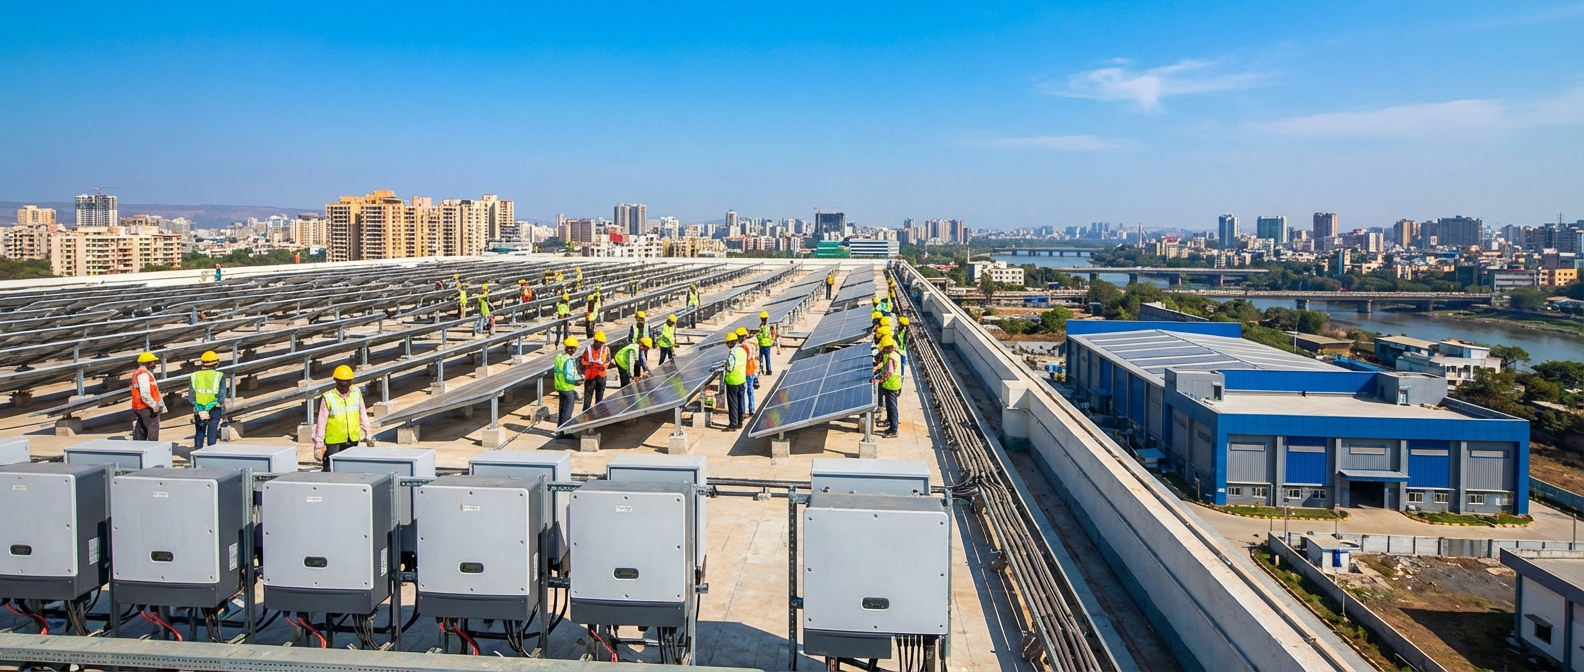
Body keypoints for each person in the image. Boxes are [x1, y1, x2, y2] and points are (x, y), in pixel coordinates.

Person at [313, 365, 375, 470]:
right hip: (334, 441)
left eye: (347, 383)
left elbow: (362, 414)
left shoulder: (356, 393)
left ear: (351, 381)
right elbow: (321, 422)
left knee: (350, 467)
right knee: (332, 468)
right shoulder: (328, 397)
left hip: (352, 438)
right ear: (336, 381)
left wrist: (368, 433)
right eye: (341, 383)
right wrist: (318, 445)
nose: (344, 386)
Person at [189, 351, 226, 452]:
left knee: (199, 432)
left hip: (199, 409)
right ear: (216, 362)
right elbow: (221, 396)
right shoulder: (219, 375)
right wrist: (209, 408)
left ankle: (197, 454)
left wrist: (201, 410)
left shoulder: (194, 376)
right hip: (214, 408)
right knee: (212, 432)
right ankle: (211, 455)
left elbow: (191, 396)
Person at [130, 352, 165, 441]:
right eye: (153, 362)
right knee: (152, 429)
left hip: (139, 406)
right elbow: (145, 393)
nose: (155, 364)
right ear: (148, 362)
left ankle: (140, 447)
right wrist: (154, 405)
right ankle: (152, 450)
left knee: (142, 430)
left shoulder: (139, 373)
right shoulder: (143, 374)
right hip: (146, 407)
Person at [873, 337, 903, 438]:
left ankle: (894, 430)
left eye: (884, 349)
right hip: (892, 385)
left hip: (892, 385)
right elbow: (885, 368)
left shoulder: (891, 357)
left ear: (888, 348)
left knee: (892, 407)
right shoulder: (893, 354)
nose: (883, 351)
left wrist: (881, 380)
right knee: (890, 406)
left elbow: (889, 371)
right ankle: (889, 423)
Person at [553, 337, 583, 434]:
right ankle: (565, 432)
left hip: (560, 387)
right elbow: (569, 376)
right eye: (575, 348)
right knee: (567, 412)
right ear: (571, 348)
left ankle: (560, 432)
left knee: (561, 411)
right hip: (568, 388)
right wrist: (580, 378)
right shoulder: (568, 360)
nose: (575, 350)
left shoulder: (559, 357)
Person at [580, 331, 610, 410]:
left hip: (601, 376)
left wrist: (601, 366)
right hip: (590, 376)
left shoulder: (606, 349)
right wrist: (590, 364)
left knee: (599, 398)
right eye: (597, 342)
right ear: (594, 341)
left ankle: (598, 415)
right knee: (588, 397)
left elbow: (607, 361)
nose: (599, 345)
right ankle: (585, 415)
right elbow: (583, 361)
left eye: (601, 343)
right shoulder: (588, 349)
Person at [723, 333, 747, 430]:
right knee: (741, 401)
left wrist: (725, 366)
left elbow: (730, 367)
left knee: (733, 403)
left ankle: (733, 424)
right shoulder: (742, 350)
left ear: (730, 343)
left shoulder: (732, 352)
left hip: (732, 381)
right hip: (742, 379)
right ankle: (740, 421)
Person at [737, 327, 757, 414]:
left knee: (745, 391)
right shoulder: (750, 344)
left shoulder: (744, 347)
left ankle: (744, 410)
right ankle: (751, 409)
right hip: (751, 370)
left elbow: (744, 359)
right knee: (750, 390)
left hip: (746, 371)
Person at [896, 316, 911, 380]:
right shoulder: (902, 330)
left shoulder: (904, 331)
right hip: (900, 349)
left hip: (901, 349)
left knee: (901, 363)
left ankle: (901, 375)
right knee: (901, 363)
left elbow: (903, 341)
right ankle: (901, 374)